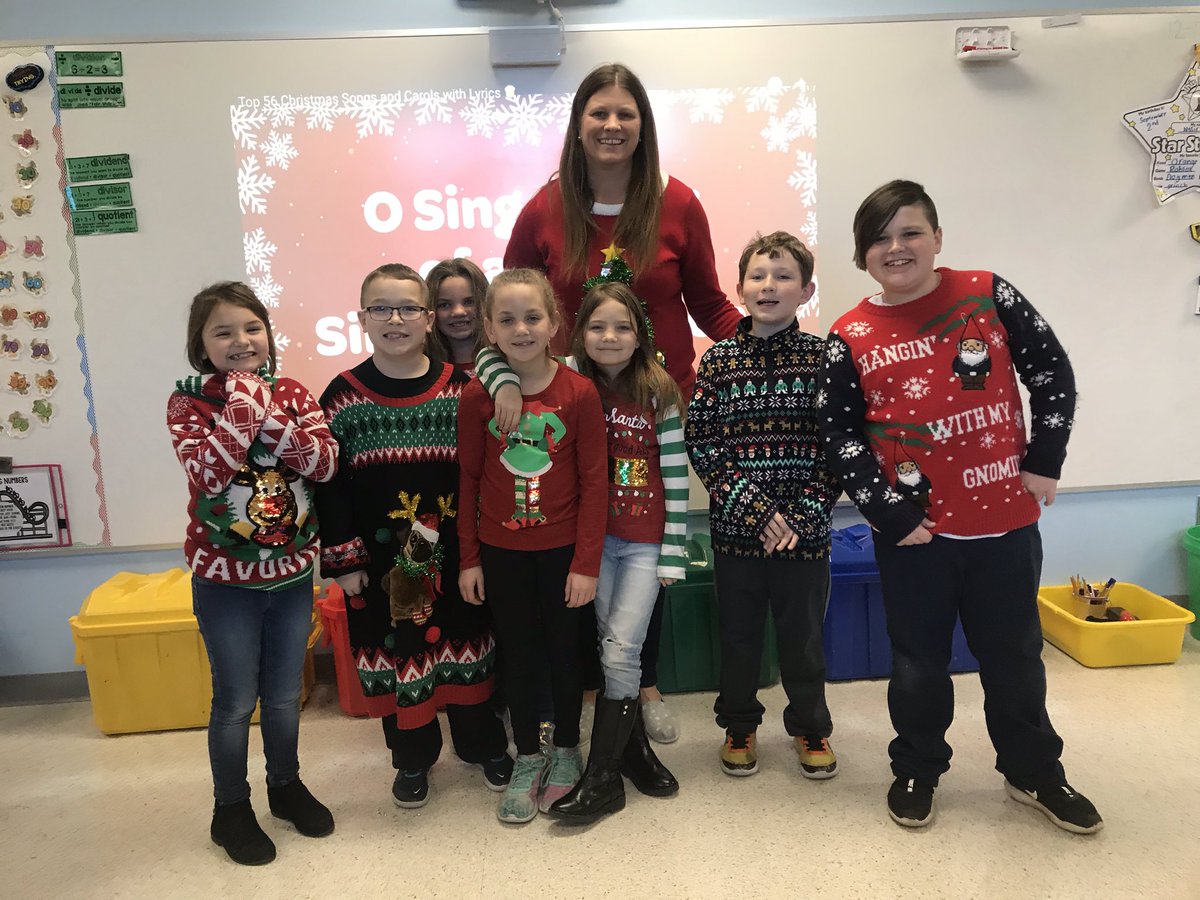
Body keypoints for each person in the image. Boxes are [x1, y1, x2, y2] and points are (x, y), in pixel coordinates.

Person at [818, 179, 1102, 834]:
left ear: (938, 238)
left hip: (1004, 525)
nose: (897, 247)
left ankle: (1034, 771)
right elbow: (839, 435)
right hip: (914, 536)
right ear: (863, 254)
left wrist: (1044, 459)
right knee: (917, 662)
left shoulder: (987, 293)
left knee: (1014, 660)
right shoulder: (848, 334)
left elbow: (1051, 370)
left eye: (910, 232)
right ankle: (917, 766)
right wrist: (887, 512)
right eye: (880, 238)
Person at [506, 62, 743, 738]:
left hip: (659, 411)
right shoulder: (544, 209)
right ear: (578, 126)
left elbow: (708, 303)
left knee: (649, 544)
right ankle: (589, 688)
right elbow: (513, 304)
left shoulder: (679, 204)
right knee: (581, 548)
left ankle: (644, 686)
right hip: (570, 415)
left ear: (644, 127)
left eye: (626, 114)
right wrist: (496, 375)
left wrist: (765, 351)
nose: (612, 125)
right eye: (599, 113)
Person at [476, 281, 686, 823]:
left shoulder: (657, 389)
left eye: (622, 327)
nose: (609, 337)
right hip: (590, 540)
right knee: (605, 645)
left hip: (641, 543)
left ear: (640, 335)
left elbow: (675, 475)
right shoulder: (569, 375)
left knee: (620, 650)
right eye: (597, 326)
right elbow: (496, 350)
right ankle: (630, 753)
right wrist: (501, 380)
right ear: (575, 332)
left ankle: (603, 776)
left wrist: (674, 550)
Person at [314, 263, 511, 812]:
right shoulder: (341, 398)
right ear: (362, 319)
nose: (394, 319)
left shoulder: (464, 391)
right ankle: (412, 759)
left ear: (429, 320)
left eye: (407, 309)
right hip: (380, 568)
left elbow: (484, 479)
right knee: (399, 662)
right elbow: (328, 486)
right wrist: (345, 560)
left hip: (457, 561)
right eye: (381, 308)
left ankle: (484, 749)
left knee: (469, 653)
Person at [166, 281, 337, 866]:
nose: (240, 340)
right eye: (223, 331)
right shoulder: (186, 403)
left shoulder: (292, 392)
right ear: (201, 345)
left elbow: (323, 462)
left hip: (290, 578)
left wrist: (262, 413)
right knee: (236, 700)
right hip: (224, 584)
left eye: (251, 327)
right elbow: (210, 473)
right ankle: (230, 808)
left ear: (267, 333)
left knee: (285, 696)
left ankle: (284, 787)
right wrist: (245, 404)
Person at [685, 232, 840, 780]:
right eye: (757, 276)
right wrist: (752, 509)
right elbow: (702, 440)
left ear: (806, 290)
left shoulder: (824, 358)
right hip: (737, 532)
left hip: (804, 532)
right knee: (740, 635)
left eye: (782, 276)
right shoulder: (719, 361)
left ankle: (810, 725)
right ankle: (740, 724)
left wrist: (798, 515)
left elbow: (839, 447)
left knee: (803, 637)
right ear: (740, 288)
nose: (768, 286)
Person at [457, 268, 608, 824]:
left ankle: (567, 749)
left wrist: (586, 564)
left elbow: (596, 482)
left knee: (567, 655)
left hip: (564, 554)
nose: (521, 329)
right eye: (507, 319)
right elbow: (469, 481)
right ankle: (528, 755)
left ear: (554, 323)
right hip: (502, 554)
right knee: (520, 657)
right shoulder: (478, 396)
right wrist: (470, 558)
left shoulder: (579, 392)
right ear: (490, 331)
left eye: (532, 317)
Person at [426, 257, 488, 377]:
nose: (459, 312)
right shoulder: (420, 368)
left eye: (469, 302)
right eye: (444, 305)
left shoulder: (511, 363)